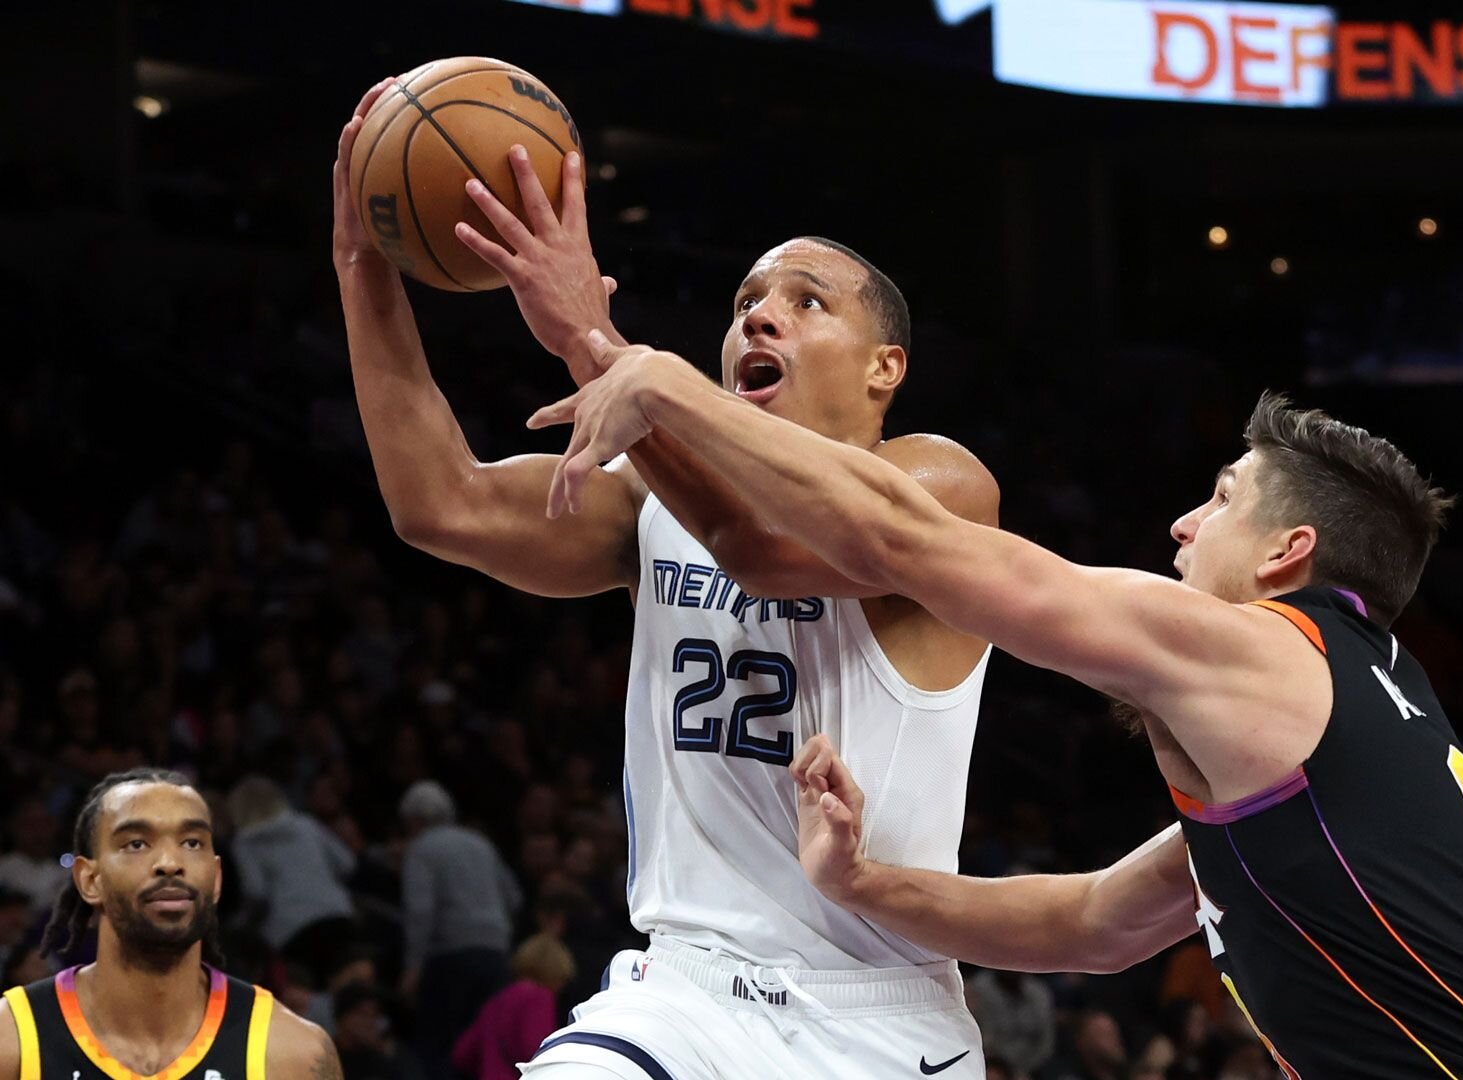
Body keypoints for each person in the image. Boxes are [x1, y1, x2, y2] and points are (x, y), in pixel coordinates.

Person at [537, 351, 1463, 1080]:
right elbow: (1096, 924)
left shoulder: (1262, 650)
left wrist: (669, 391)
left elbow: (909, 548)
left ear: (1286, 554)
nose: (1178, 523)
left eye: (1217, 500)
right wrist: (863, 884)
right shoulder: (1359, 709)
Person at [331, 72, 998, 1079]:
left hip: (872, 1007)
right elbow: (441, 505)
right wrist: (363, 267)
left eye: (804, 302)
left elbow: (764, 550)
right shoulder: (653, 500)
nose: (759, 318)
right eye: (745, 303)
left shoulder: (939, 483)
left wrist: (589, 345)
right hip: (681, 993)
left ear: (884, 369)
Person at [0, 768, 339, 1078]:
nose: (170, 863)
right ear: (90, 880)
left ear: (217, 878)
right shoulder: (11, 1039)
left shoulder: (292, 1054)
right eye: (137, 844)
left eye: (192, 843)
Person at [396, 780, 521, 1078]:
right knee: (487, 1043)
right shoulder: (480, 844)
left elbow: (420, 911)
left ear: (413, 820)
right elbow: (514, 897)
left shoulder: (421, 848)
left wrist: (412, 967)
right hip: (495, 955)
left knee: (441, 1046)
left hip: (450, 957)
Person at [228, 774, 357, 984]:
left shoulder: (245, 843)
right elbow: (348, 863)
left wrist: (241, 923)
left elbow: (256, 893)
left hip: (292, 932)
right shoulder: (306, 824)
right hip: (337, 916)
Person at [452, 933, 575, 1080]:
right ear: (556, 973)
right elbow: (536, 1049)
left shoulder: (498, 999)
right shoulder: (539, 998)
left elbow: (463, 1053)